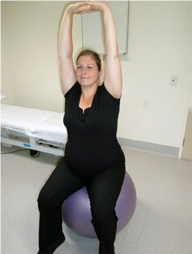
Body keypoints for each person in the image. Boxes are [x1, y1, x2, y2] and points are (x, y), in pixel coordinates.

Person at [37, 1, 125, 254]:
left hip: (107, 168)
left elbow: (113, 53)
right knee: (46, 199)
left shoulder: (110, 94)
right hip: (73, 165)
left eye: (90, 66)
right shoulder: (71, 92)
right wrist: (68, 12)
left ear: (99, 72)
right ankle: (51, 242)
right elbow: (63, 54)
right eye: (79, 66)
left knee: (101, 213)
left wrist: (105, 9)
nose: (83, 70)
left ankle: (107, 249)